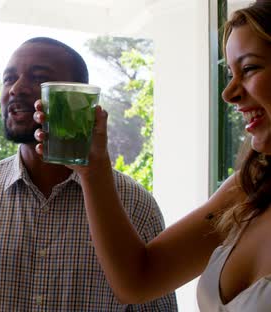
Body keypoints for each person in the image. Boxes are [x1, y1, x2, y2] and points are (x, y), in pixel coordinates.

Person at [0, 37, 177, 311]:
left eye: (39, 78)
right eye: (8, 78)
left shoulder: (135, 207)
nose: (16, 88)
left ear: (80, 100)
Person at [33, 2, 271, 311]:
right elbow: (138, 280)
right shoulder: (247, 190)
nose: (229, 93)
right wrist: (94, 170)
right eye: (230, 73)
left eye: (249, 68)